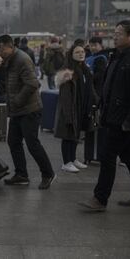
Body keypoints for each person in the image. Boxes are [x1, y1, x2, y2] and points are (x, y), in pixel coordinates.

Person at [79, 20, 130, 212]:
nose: (115, 36)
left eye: (119, 33)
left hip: (124, 121)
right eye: (116, 32)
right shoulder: (117, 56)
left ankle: (100, 199)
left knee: (107, 156)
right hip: (113, 116)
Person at [0, 35, 56, 190]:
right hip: (18, 110)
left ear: (10, 46)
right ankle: (21, 174)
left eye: (1, 49)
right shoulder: (10, 60)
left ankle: (48, 173)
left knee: (32, 144)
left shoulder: (22, 59)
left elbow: (32, 84)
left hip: (29, 109)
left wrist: (17, 100)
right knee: (13, 141)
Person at [54, 44, 98, 173]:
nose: (81, 54)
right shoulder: (67, 71)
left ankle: (73, 159)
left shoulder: (85, 69)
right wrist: (68, 114)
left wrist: (96, 100)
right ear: (71, 55)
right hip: (70, 108)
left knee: (76, 135)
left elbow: (90, 89)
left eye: (82, 52)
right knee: (67, 135)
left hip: (81, 107)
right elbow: (65, 95)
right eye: (77, 52)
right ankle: (66, 162)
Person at [83, 36, 109, 164]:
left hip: (96, 96)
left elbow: (100, 76)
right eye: (91, 45)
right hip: (88, 96)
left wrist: (88, 77)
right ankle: (89, 155)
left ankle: (96, 155)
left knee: (96, 126)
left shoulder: (101, 58)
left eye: (95, 45)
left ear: (100, 45)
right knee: (90, 126)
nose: (93, 47)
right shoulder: (88, 58)